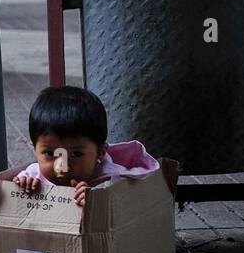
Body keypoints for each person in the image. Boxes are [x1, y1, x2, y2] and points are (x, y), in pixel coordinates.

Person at [12, 85, 158, 208]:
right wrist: (23, 184)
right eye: (50, 153)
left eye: (75, 155)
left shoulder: (113, 180)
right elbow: (18, 188)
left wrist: (98, 203)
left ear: (100, 153)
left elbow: (127, 212)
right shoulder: (34, 174)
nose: (61, 167)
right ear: (35, 149)